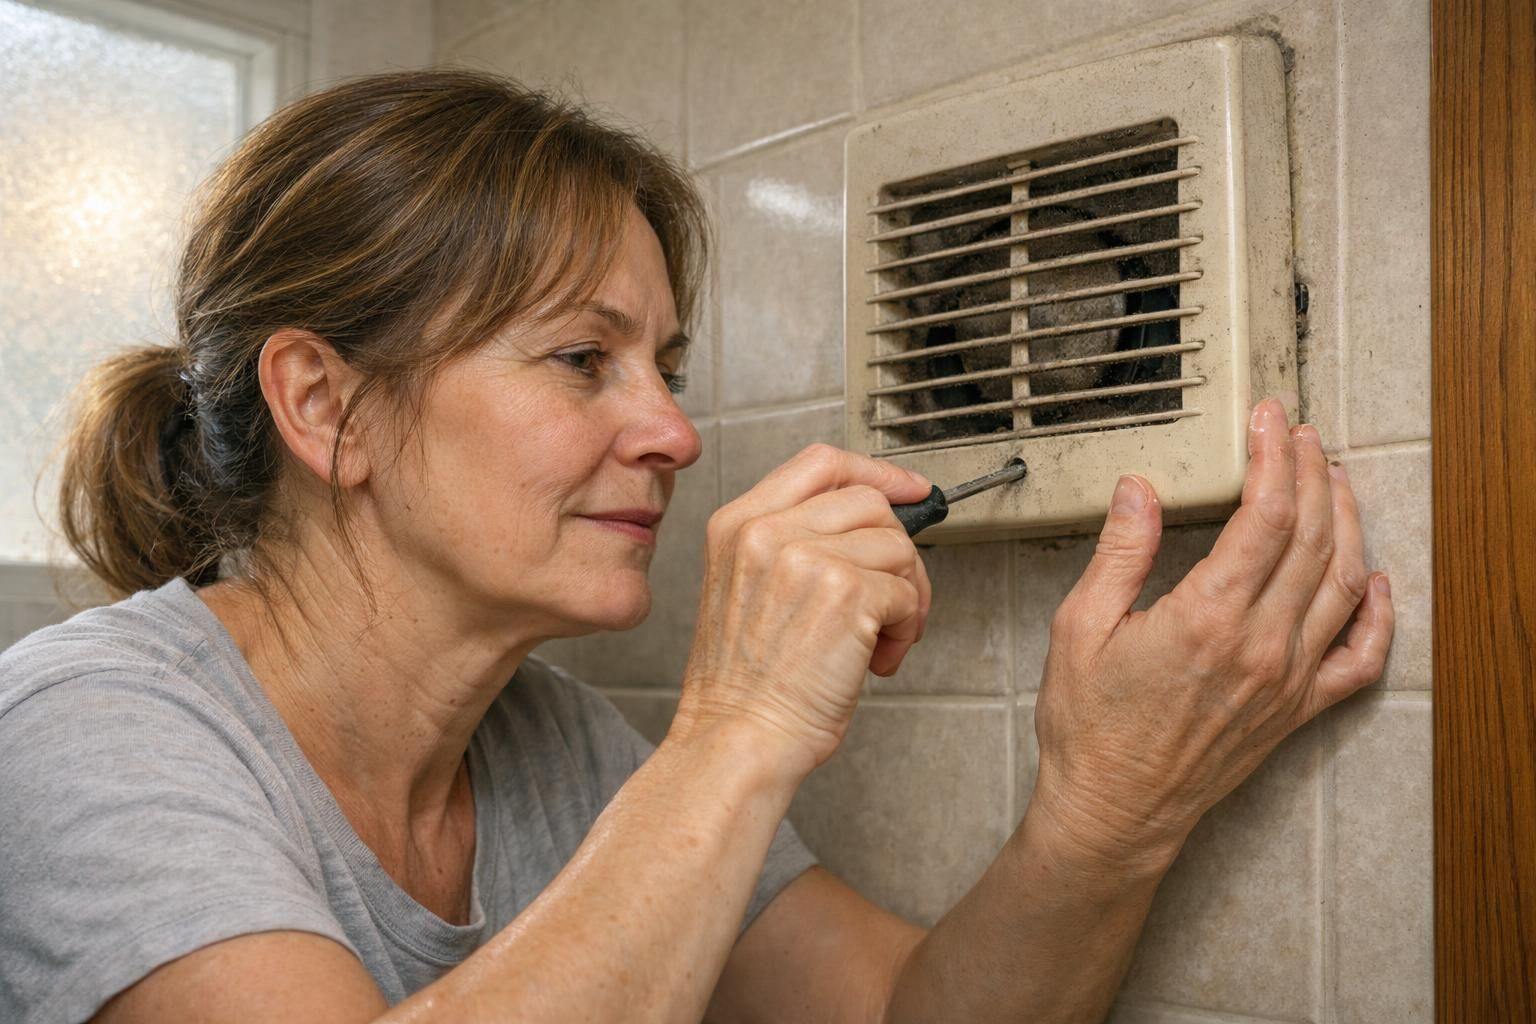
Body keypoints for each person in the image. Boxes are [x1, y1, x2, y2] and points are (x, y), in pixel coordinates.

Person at [0, 69, 1394, 1024]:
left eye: (662, 363)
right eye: (580, 358)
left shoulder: (561, 746)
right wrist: (742, 721)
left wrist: (1109, 811)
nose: (673, 431)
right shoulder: (85, 731)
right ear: (325, 404)